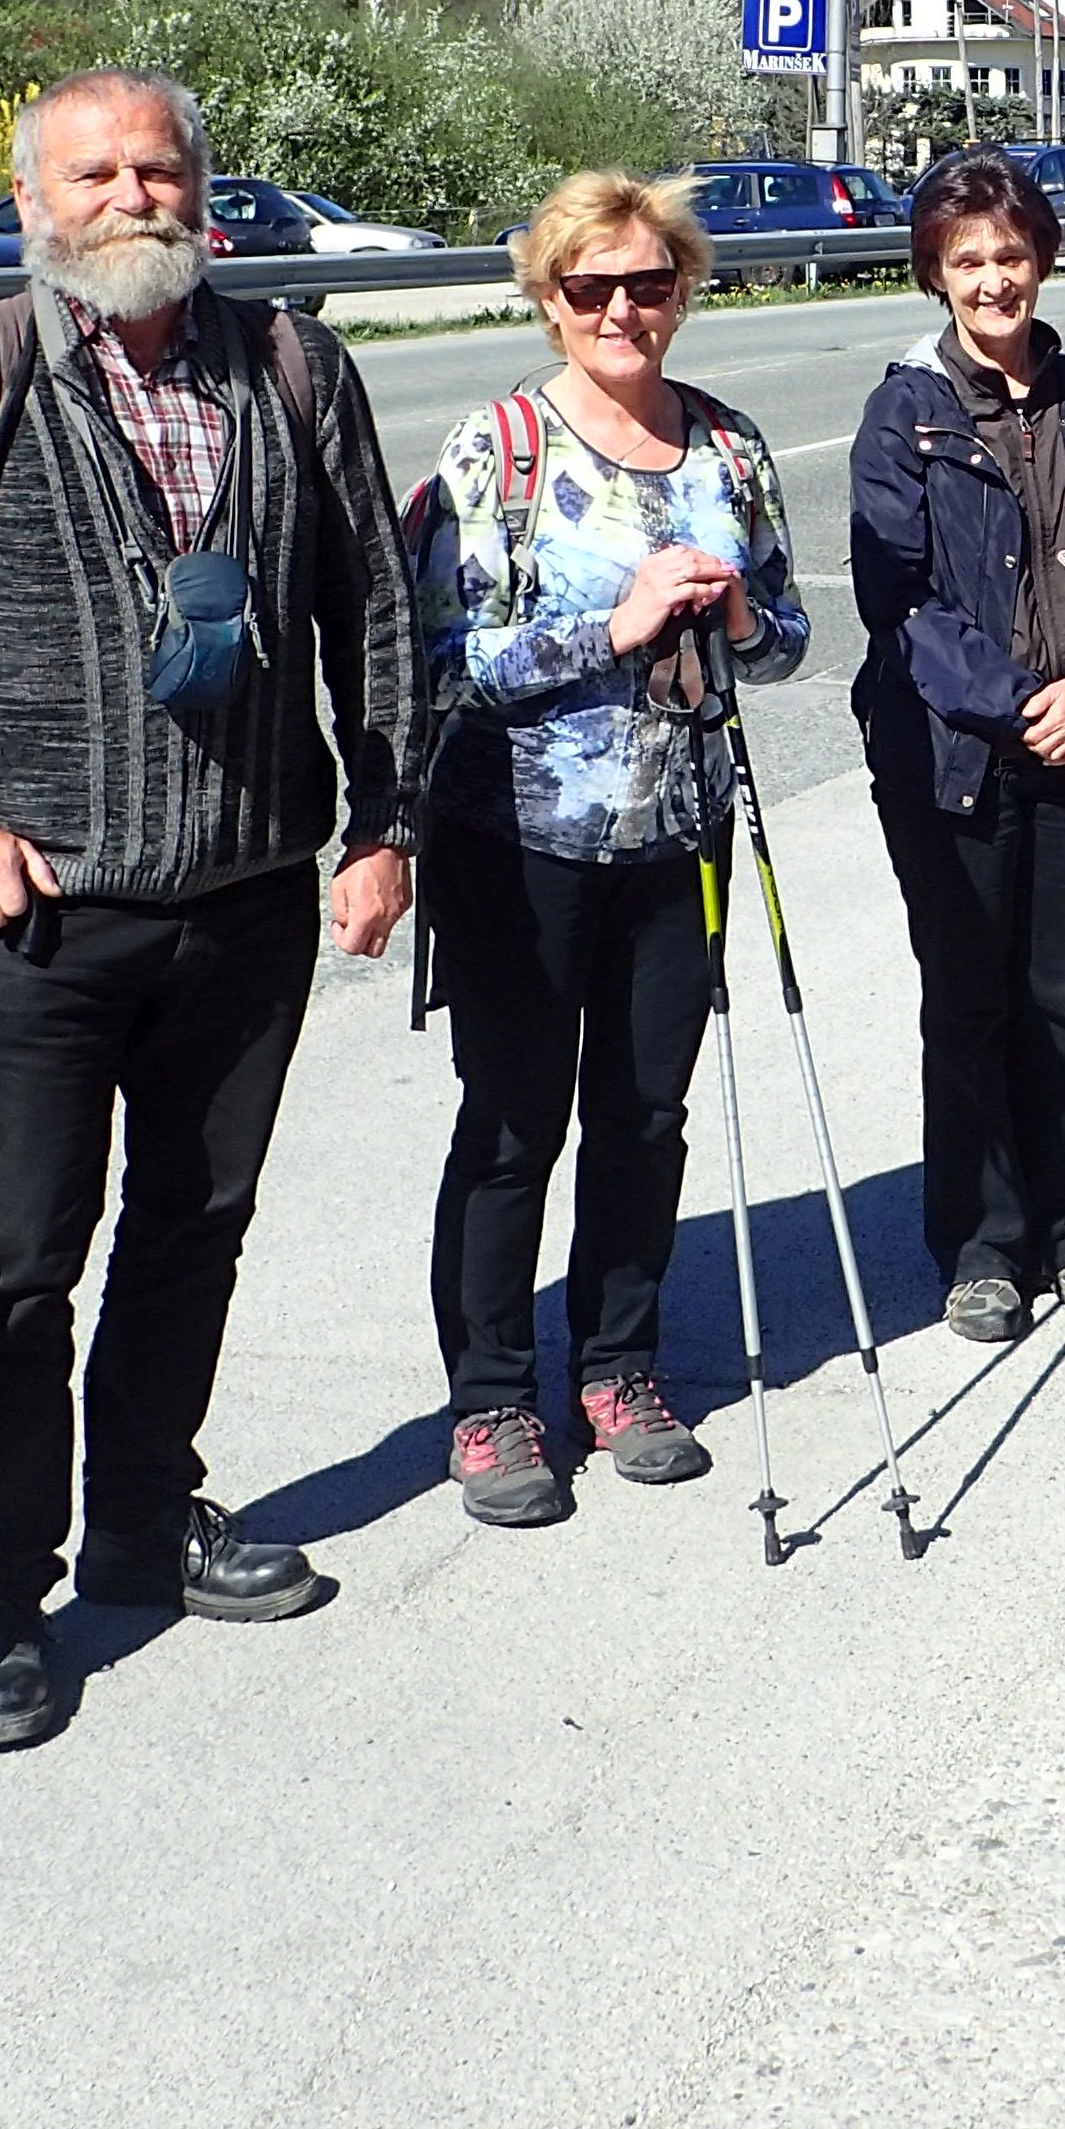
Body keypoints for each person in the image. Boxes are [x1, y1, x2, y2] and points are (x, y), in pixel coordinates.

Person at [0, 67, 421, 1755]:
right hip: (44, 919)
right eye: (94, 174)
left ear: (199, 190)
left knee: (192, 1232)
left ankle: (146, 1520)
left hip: (249, 902)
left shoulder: (293, 367)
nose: (133, 197)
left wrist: (381, 827)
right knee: (16, 1268)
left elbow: (374, 614)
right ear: (31, 202)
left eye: (158, 169)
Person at [403, 170, 808, 1532]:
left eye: (650, 282)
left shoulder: (729, 448)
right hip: (519, 845)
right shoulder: (499, 450)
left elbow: (790, 640)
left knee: (643, 1118)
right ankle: (491, 1399)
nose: (623, 309)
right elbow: (442, 663)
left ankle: (620, 1369)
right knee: (514, 1124)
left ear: (684, 290)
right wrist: (615, 628)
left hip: (679, 836)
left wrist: (740, 619)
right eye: (592, 287)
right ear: (549, 299)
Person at [851, 148, 1065, 1342]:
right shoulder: (904, 413)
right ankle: (982, 1247)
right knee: (970, 1001)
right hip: (952, 757)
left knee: (1055, 1004)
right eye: (968, 260)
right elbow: (900, 600)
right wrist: (1019, 703)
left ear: (1044, 259)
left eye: (1012, 255)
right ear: (936, 273)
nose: (994, 280)